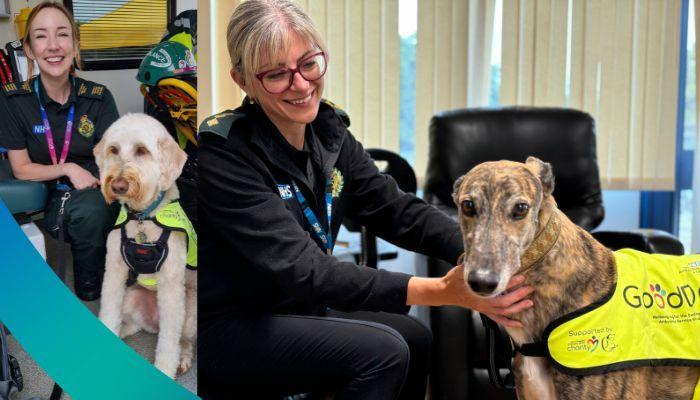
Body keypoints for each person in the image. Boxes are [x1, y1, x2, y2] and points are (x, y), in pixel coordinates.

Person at [198, 1, 534, 398]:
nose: (302, 85)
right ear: (242, 80)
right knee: (383, 352)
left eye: (309, 63)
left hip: (301, 309)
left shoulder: (329, 132)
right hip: (233, 327)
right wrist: (444, 291)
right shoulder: (223, 154)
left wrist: (486, 250)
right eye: (276, 74)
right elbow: (304, 270)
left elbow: (397, 211)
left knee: (413, 337)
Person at [0, 2, 120, 301]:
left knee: (100, 207)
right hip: (48, 191)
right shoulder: (14, 99)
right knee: (88, 212)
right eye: (41, 36)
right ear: (29, 49)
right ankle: (91, 273)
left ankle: (99, 273)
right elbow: (21, 168)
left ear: (75, 44)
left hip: (95, 188)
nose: (53, 46)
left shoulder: (98, 97)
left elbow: (116, 158)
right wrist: (68, 168)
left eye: (62, 34)